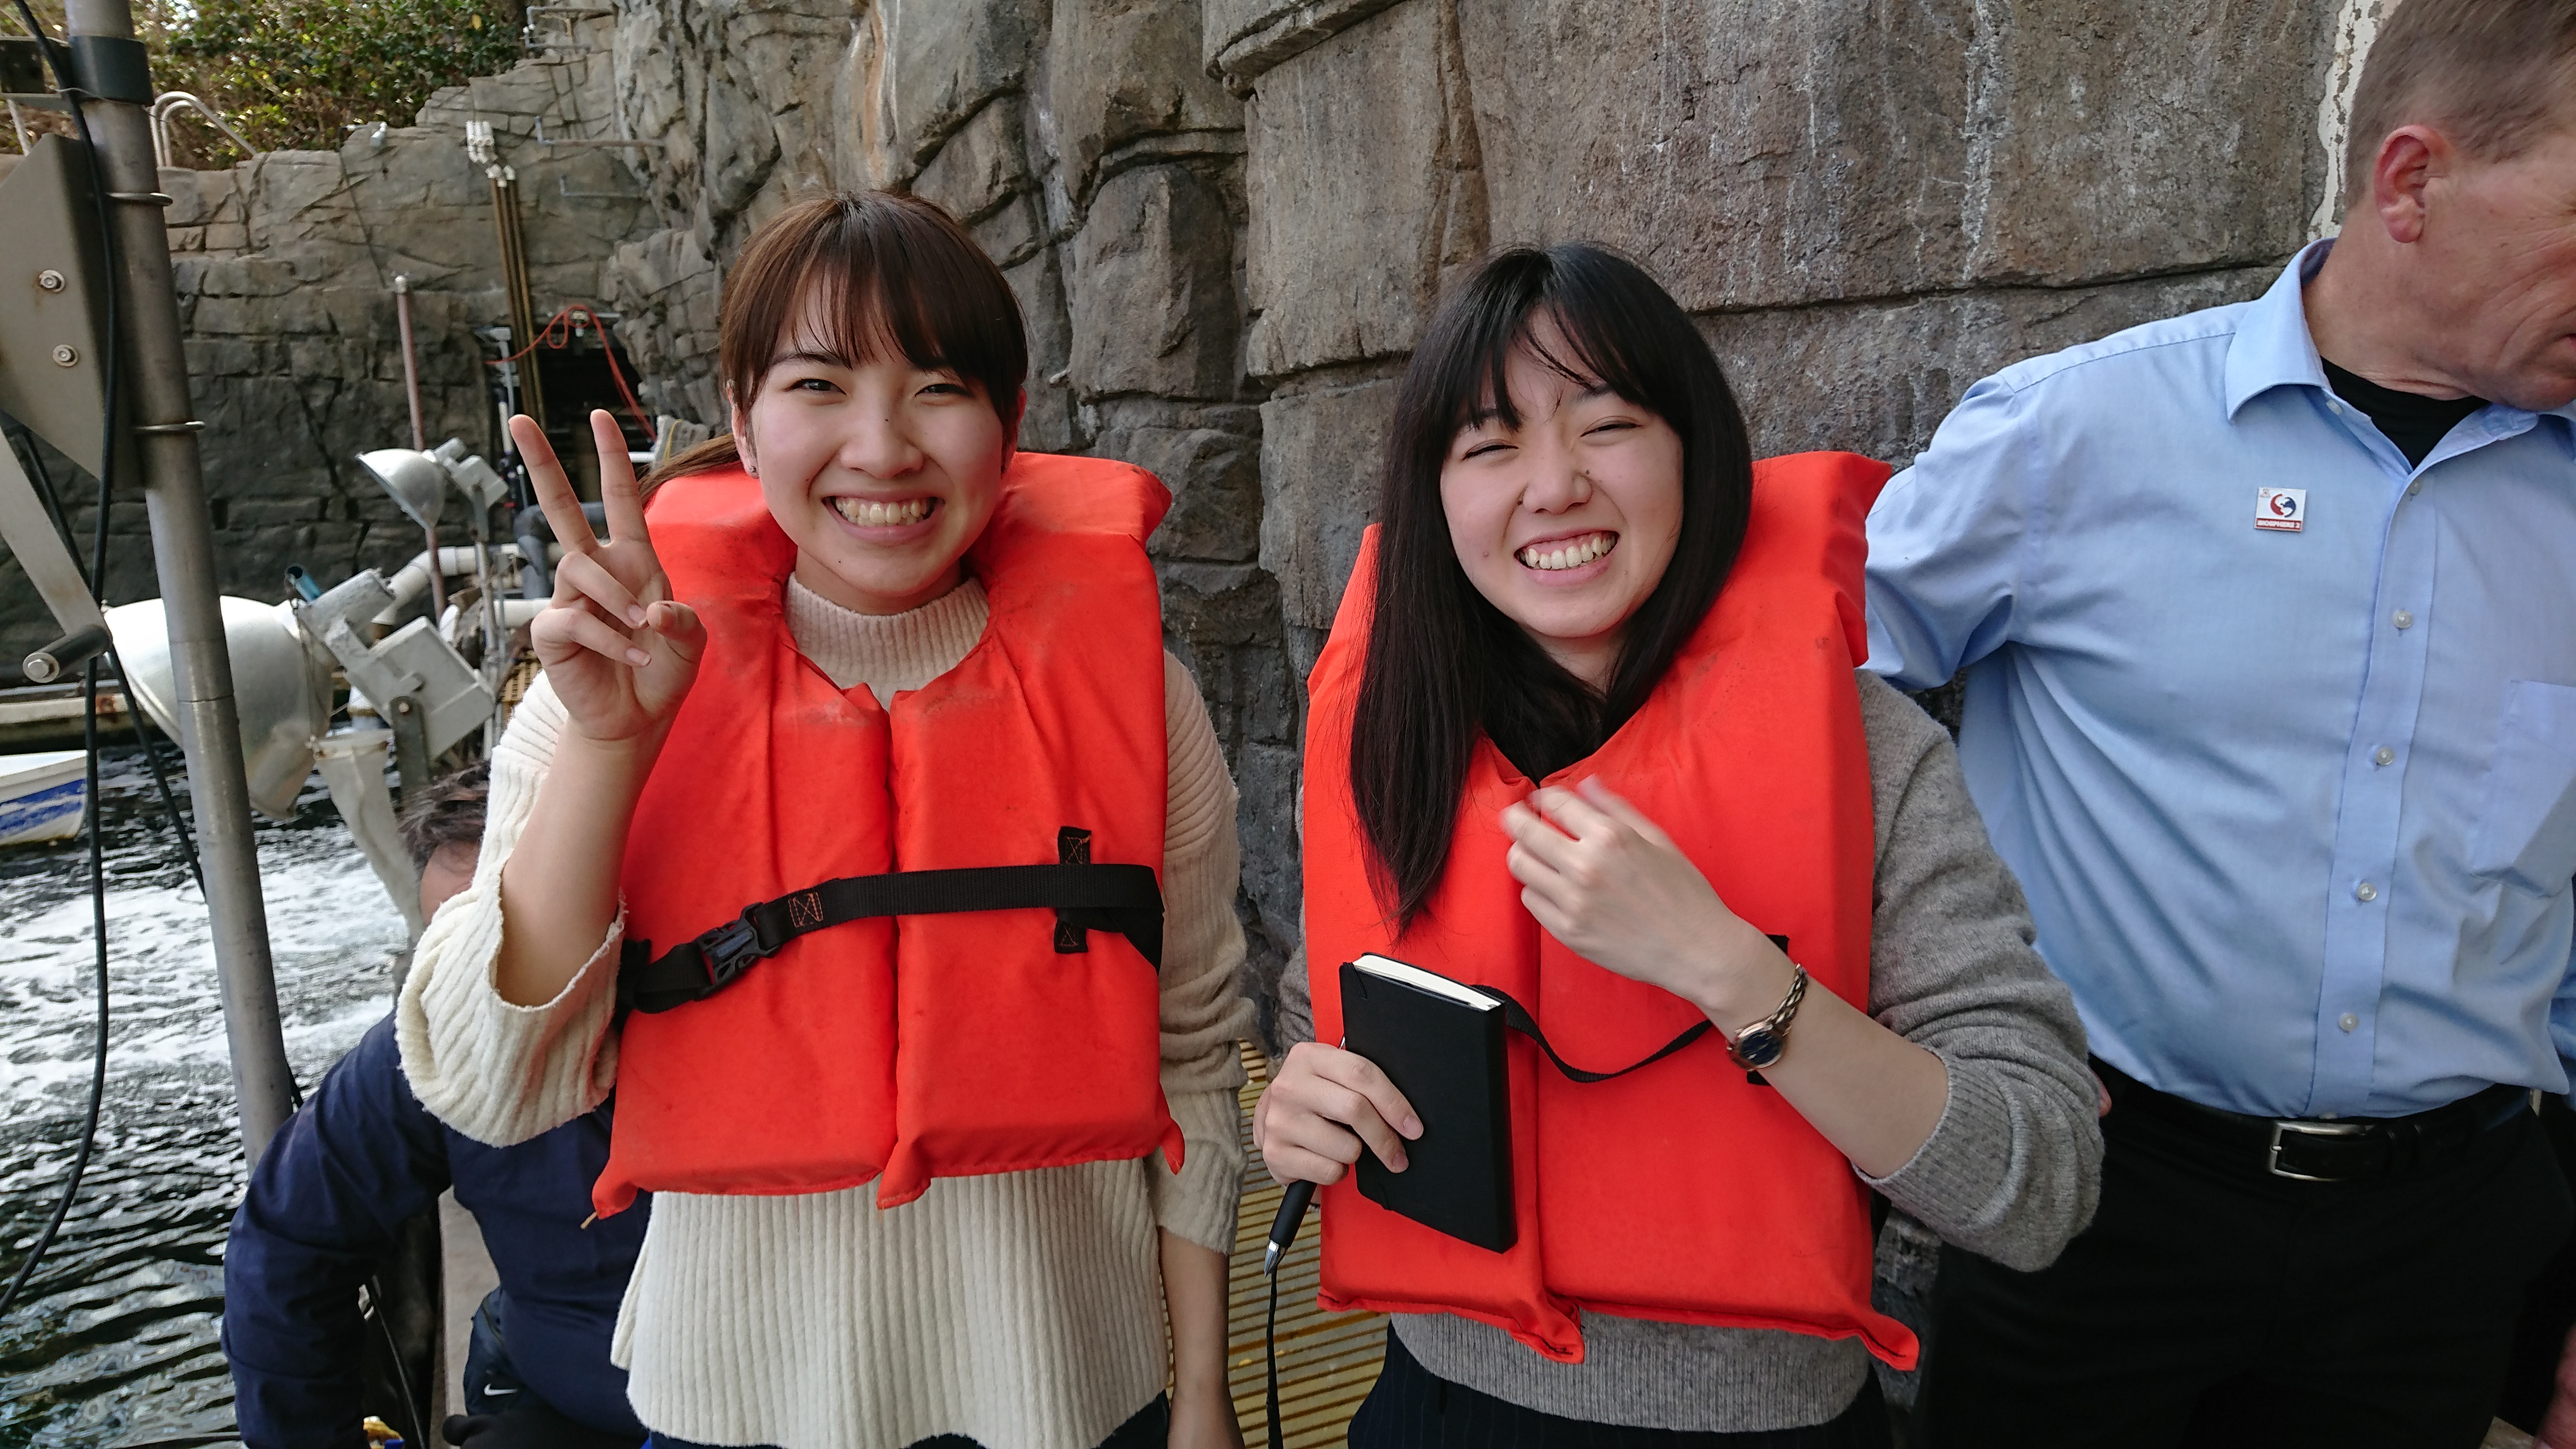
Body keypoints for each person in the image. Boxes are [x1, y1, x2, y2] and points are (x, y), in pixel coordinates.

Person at [395, 191, 1254, 1449]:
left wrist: (1205, 1398)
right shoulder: (611, 688)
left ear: (1010, 425)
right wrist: (609, 743)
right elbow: (493, 1086)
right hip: (737, 1404)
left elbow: (1194, 1047)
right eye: (819, 385)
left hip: (1081, 1388)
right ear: (742, 422)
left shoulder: (1135, 690)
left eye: (940, 388)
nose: (882, 447)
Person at [1861, 0, 2576, 1442]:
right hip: (2098, 1214)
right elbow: (1813, 713)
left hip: (2450, 1240)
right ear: (2413, 182)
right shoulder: (2071, 436)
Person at [1252, 242, 2102, 1444]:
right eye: (1489, 446)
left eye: (1606, 425)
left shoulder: (1870, 753)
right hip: (1435, 1401)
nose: (1551, 486)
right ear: (1434, 497)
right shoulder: (1391, 730)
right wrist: (1294, 1111)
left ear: (1693, 454)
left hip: (1761, 1424)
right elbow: (1314, 1023)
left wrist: (1728, 969)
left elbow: (2041, 1183)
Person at [224, 762, 651, 1449]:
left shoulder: (785, 1025)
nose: (480, 995)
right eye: (451, 954)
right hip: (568, 1397)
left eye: (507, 951)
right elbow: (288, 1243)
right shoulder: (437, 1039)